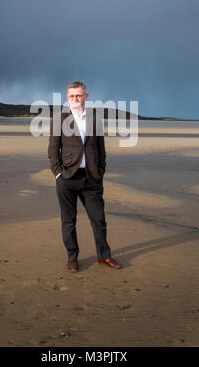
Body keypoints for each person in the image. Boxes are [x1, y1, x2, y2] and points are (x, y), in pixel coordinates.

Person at [48, 81, 122, 272]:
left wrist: (100, 171)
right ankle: (72, 258)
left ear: (86, 97)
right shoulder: (59, 119)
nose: (75, 99)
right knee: (68, 221)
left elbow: (101, 149)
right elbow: (53, 149)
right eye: (71, 96)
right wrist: (58, 174)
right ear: (67, 98)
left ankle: (104, 256)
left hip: (92, 179)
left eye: (78, 95)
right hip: (68, 178)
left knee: (99, 219)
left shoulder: (95, 118)